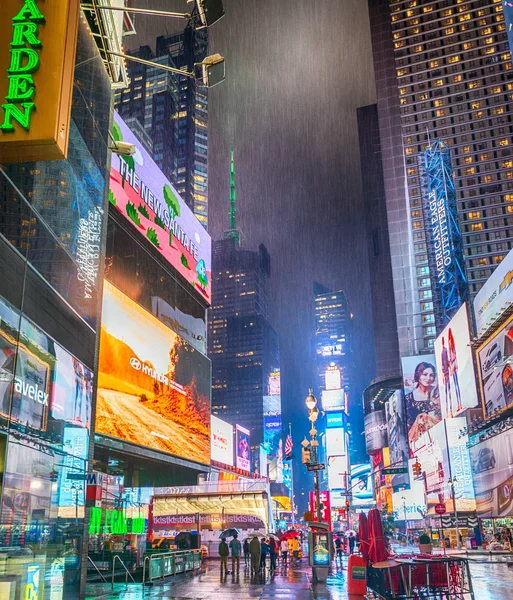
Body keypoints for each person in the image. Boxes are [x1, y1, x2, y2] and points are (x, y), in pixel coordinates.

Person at [405, 361, 441, 445]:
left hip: (440, 433)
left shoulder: (438, 392)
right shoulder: (409, 398)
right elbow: (409, 425)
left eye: (431, 375)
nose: (428, 378)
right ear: (418, 376)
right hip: (420, 442)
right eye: (425, 374)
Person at [448, 328, 462, 413]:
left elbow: (454, 358)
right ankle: (458, 404)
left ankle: (460, 404)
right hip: (453, 368)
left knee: (457, 387)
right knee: (456, 387)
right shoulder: (450, 349)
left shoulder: (452, 349)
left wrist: (453, 365)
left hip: (454, 367)